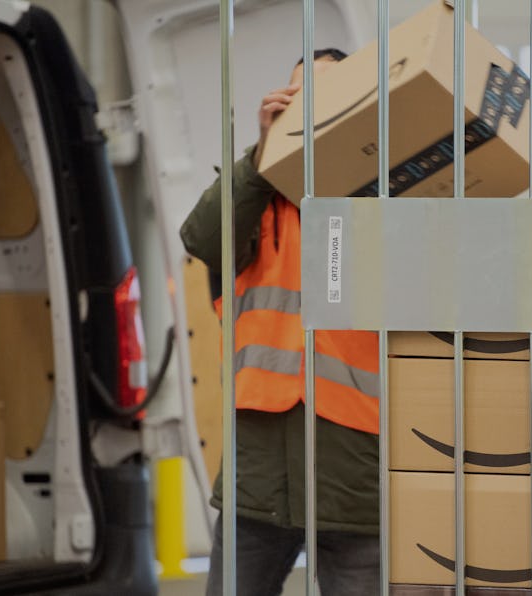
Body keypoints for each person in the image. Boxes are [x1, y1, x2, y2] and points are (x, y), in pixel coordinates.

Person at [180, 49, 380, 596]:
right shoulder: (255, 197)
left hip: (356, 479)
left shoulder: (385, 197)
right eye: (299, 95)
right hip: (258, 480)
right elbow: (202, 238)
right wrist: (264, 152)